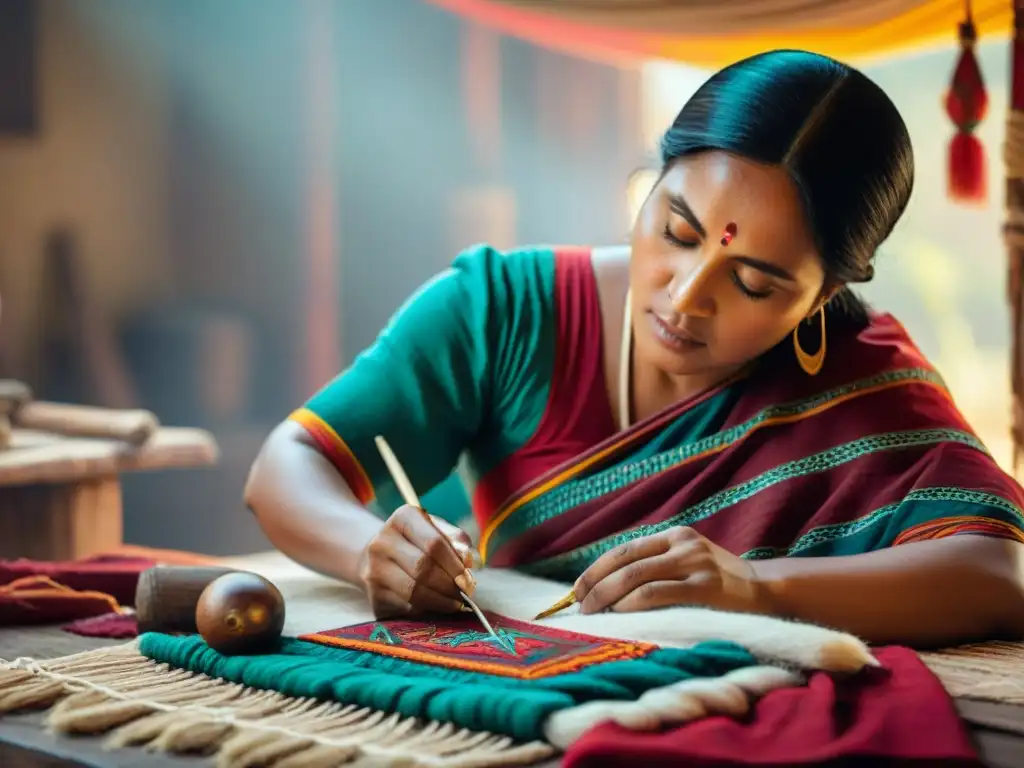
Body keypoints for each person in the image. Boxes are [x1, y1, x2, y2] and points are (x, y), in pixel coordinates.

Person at [245, 49, 1024, 649]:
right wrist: (369, 553)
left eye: (753, 283)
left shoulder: (865, 384)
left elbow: (1001, 572)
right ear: (648, 183)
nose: (686, 297)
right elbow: (287, 466)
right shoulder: (503, 310)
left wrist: (753, 588)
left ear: (823, 296)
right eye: (677, 231)